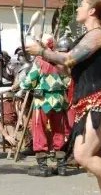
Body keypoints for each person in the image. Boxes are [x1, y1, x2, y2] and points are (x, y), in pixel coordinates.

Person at [25, 0, 101, 195]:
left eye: (82, 5)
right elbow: (70, 71)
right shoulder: (88, 36)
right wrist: (45, 57)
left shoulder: (97, 34)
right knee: (99, 158)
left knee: (83, 155)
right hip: (87, 100)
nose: (77, 8)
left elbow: (69, 59)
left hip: (100, 99)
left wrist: (43, 51)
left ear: (91, 12)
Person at [20, 34, 68, 177]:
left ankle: (43, 166)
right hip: (59, 100)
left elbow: (29, 81)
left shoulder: (40, 61)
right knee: (58, 130)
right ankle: (62, 166)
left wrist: (23, 85)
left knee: (39, 130)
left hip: (42, 100)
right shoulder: (60, 59)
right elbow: (67, 79)